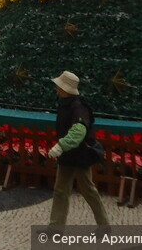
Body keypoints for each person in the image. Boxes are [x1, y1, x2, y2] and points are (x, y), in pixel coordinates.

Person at [47, 71, 109, 229]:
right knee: (60, 191)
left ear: (65, 88)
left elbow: (78, 132)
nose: (56, 88)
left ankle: (104, 226)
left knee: (89, 191)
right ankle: (56, 227)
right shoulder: (63, 103)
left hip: (81, 154)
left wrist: (60, 146)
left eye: (59, 86)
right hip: (67, 155)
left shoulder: (79, 107)